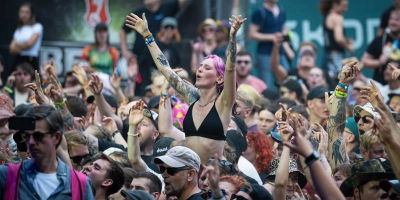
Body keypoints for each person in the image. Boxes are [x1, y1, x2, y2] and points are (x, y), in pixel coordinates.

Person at [125, 13, 246, 164]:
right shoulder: (192, 97)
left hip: (214, 174)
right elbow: (164, 68)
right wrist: (147, 35)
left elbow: (230, 68)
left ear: (219, 78)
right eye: (200, 66)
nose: (200, 69)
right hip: (190, 173)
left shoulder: (224, 103)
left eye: (207, 68)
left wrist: (232, 37)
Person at [0, 105, 94, 199]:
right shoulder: (8, 174)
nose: (31, 142)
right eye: (27, 136)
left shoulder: (80, 183)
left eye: (38, 136)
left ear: (56, 137)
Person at [120, 0, 190, 93]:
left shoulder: (167, 8)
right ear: (162, 28)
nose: (168, 30)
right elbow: (123, 30)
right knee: (139, 88)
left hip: (157, 59)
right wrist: (124, 50)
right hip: (141, 60)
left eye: (171, 28)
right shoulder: (138, 13)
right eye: (166, 27)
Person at [248, 0, 289, 89]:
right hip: (264, 53)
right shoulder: (260, 12)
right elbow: (252, 34)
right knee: (266, 84)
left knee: (287, 79)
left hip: (280, 52)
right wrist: (272, 37)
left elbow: (283, 28)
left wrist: (283, 36)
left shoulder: (281, 10)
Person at [362, 9, 400, 85]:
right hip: (381, 87)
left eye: (397, 20)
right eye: (391, 19)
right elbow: (364, 61)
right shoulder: (380, 40)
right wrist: (379, 62)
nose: (393, 22)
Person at [319, 0, 353, 79]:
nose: (346, 9)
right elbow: (338, 39)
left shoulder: (328, 16)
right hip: (336, 57)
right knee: (339, 82)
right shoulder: (337, 17)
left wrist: (346, 41)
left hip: (327, 56)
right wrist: (349, 47)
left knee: (328, 82)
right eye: (344, 6)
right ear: (335, 4)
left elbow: (332, 38)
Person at [9, 2, 43, 72]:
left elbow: (29, 44)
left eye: (27, 12)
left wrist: (17, 45)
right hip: (19, 60)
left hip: (31, 60)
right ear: (19, 13)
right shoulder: (18, 30)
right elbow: (11, 49)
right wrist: (23, 45)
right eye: (22, 12)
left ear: (31, 14)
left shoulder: (37, 27)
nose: (24, 15)